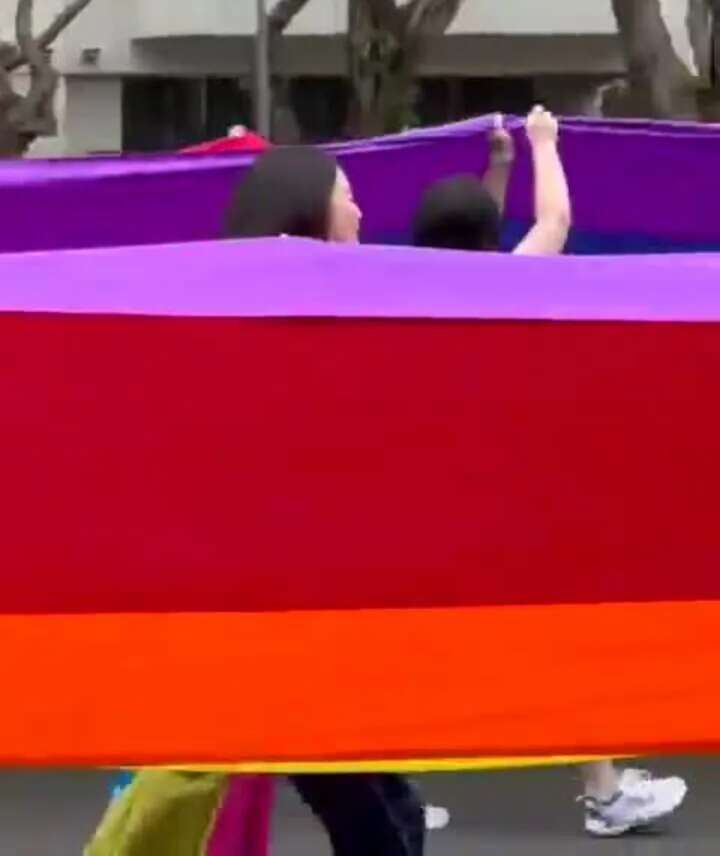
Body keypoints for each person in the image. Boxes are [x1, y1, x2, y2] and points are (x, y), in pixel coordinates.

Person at [93, 147, 429, 856]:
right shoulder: (262, 321)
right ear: (310, 210)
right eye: (348, 195)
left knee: (385, 813)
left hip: (302, 615)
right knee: (380, 818)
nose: (362, 210)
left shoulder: (326, 308)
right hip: (268, 618)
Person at [411, 107, 689, 839]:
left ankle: (393, 790)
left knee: (419, 653)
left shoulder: (405, 293)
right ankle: (603, 792)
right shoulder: (496, 291)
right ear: (484, 240)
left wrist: (497, 168)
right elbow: (556, 220)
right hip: (505, 505)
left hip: (434, 504)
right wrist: (543, 144)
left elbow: (474, 239)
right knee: (556, 643)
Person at [411, 108, 570, 256]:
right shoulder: (500, 279)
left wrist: (500, 165)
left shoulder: (407, 279)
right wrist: (544, 142)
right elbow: (554, 223)